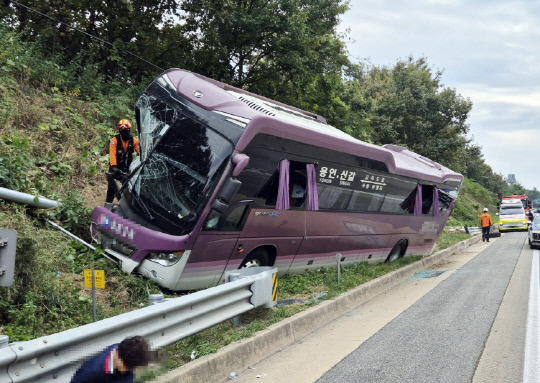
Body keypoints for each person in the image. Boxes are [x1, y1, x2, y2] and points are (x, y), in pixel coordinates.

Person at [70, 335, 150, 382]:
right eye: (127, 367)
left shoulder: (125, 350)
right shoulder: (90, 373)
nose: (127, 370)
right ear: (119, 358)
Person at [105, 119, 140, 205]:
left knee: (128, 188)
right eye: (123, 131)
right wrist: (114, 166)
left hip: (127, 169)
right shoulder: (114, 140)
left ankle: (127, 205)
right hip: (115, 168)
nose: (125, 132)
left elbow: (141, 152)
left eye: (127, 130)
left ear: (129, 130)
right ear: (120, 131)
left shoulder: (134, 141)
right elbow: (112, 154)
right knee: (111, 188)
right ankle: (108, 205)